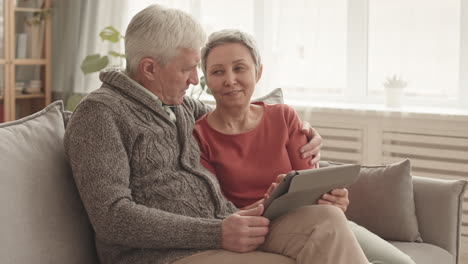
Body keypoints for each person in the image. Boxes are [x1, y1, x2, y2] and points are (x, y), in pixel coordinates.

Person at [64, 4, 368, 264]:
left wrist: (305, 132)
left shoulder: (179, 105)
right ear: (149, 69)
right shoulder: (100, 114)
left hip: (225, 229)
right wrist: (216, 232)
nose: (195, 79)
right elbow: (112, 217)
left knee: (327, 221)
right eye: (188, 69)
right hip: (165, 255)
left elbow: (236, 111)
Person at [193, 29, 416, 264]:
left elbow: (312, 186)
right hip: (258, 229)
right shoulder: (198, 136)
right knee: (329, 222)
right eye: (218, 72)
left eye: (239, 68)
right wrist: (267, 203)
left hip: (314, 219)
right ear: (206, 80)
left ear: (258, 73)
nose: (230, 80)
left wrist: (332, 199)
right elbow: (216, 213)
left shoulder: (283, 117)